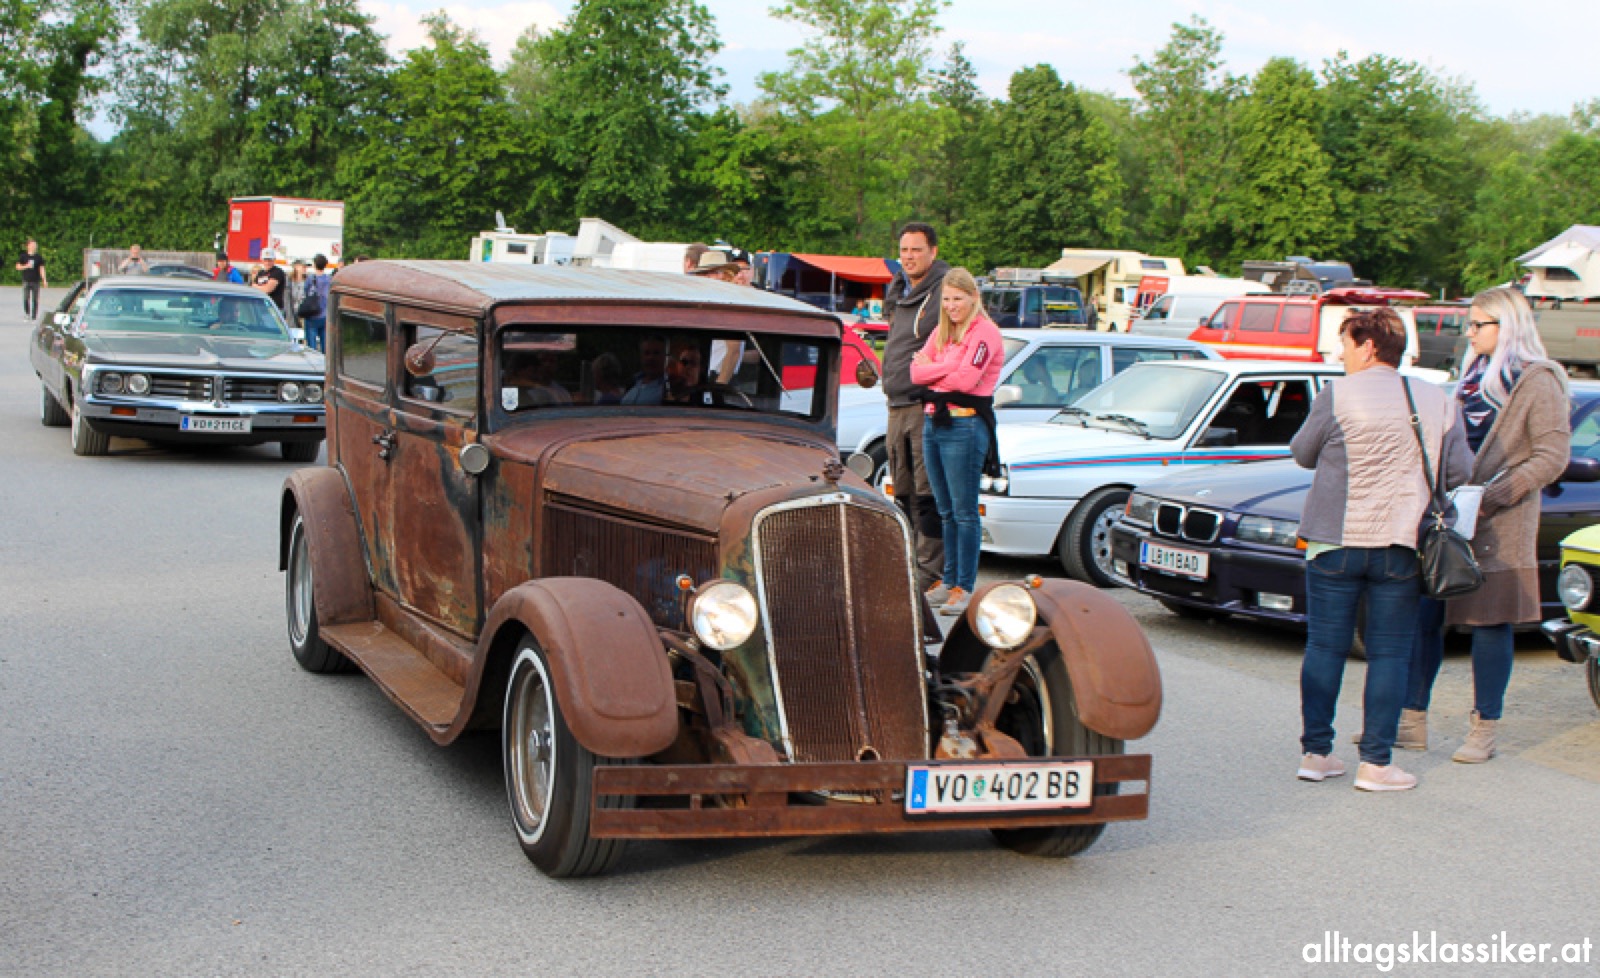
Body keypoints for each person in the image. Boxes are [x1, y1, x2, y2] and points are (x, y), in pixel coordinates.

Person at [1290, 308, 1472, 792]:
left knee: (1324, 646)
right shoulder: (1437, 400)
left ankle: (1316, 754)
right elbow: (1460, 470)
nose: (1341, 354)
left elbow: (1303, 453)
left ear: (1368, 346)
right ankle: (1375, 763)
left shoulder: (1337, 394)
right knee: (1390, 653)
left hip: (1334, 541)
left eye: (1346, 344)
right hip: (1401, 542)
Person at [1403, 287, 1570, 763]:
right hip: (1448, 518)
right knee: (1425, 617)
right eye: (1469, 324)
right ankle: (1411, 721)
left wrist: (1490, 498)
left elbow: (1551, 457)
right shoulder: (1471, 378)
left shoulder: (1539, 379)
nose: (1469, 333)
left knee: (1490, 624)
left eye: (1478, 324)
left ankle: (1484, 728)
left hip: (1502, 521)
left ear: (1507, 325)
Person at [909, 268, 1003, 615]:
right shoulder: (942, 331)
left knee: (964, 512)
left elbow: (966, 381)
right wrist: (949, 367)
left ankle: (964, 586)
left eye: (958, 299)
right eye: (946, 299)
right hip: (934, 421)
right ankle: (948, 581)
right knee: (944, 509)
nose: (951, 306)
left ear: (973, 298)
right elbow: (915, 373)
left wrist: (936, 368)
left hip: (964, 425)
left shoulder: (985, 333)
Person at [882, 221, 950, 593]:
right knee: (903, 491)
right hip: (896, 405)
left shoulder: (945, 292)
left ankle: (930, 570)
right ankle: (907, 561)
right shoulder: (899, 289)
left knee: (928, 492)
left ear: (933, 252)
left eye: (916, 250)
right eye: (904, 250)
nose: (908, 257)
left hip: (925, 406)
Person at [622, 335, 669, 405]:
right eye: (647, 353)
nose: (651, 358)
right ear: (641, 357)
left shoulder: (669, 389)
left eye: (656, 353)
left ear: (665, 357)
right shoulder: (632, 383)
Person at [301, 255, 332, 352]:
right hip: (325, 314)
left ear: (314, 265)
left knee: (311, 345)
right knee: (325, 343)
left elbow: (305, 292)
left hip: (312, 314)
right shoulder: (329, 279)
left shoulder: (310, 279)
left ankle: (313, 358)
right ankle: (324, 358)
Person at [16, 239, 46, 319]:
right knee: (26, 298)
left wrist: (44, 279)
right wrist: (26, 266)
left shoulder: (38, 257)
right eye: (32, 245)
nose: (34, 247)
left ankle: (34, 315)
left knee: (35, 299)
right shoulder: (23, 256)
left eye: (35, 245)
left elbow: (41, 268)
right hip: (26, 280)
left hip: (36, 280)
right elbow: (18, 267)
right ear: (28, 246)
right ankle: (27, 313)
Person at [253, 250, 288, 316]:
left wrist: (258, 287)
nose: (267, 263)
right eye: (265, 260)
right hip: (261, 307)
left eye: (270, 260)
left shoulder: (278, 272)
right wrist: (261, 287)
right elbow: (253, 286)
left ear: (274, 260)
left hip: (274, 309)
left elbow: (267, 289)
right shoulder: (261, 273)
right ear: (262, 260)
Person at [286, 260, 308, 335]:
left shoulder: (308, 280)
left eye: (305, 267)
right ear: (296, 267)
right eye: (303, 267)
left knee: (304, 335)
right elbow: (287, 299)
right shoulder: (289, 281)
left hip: (304, 313)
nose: (305, 268)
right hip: (293, 312)